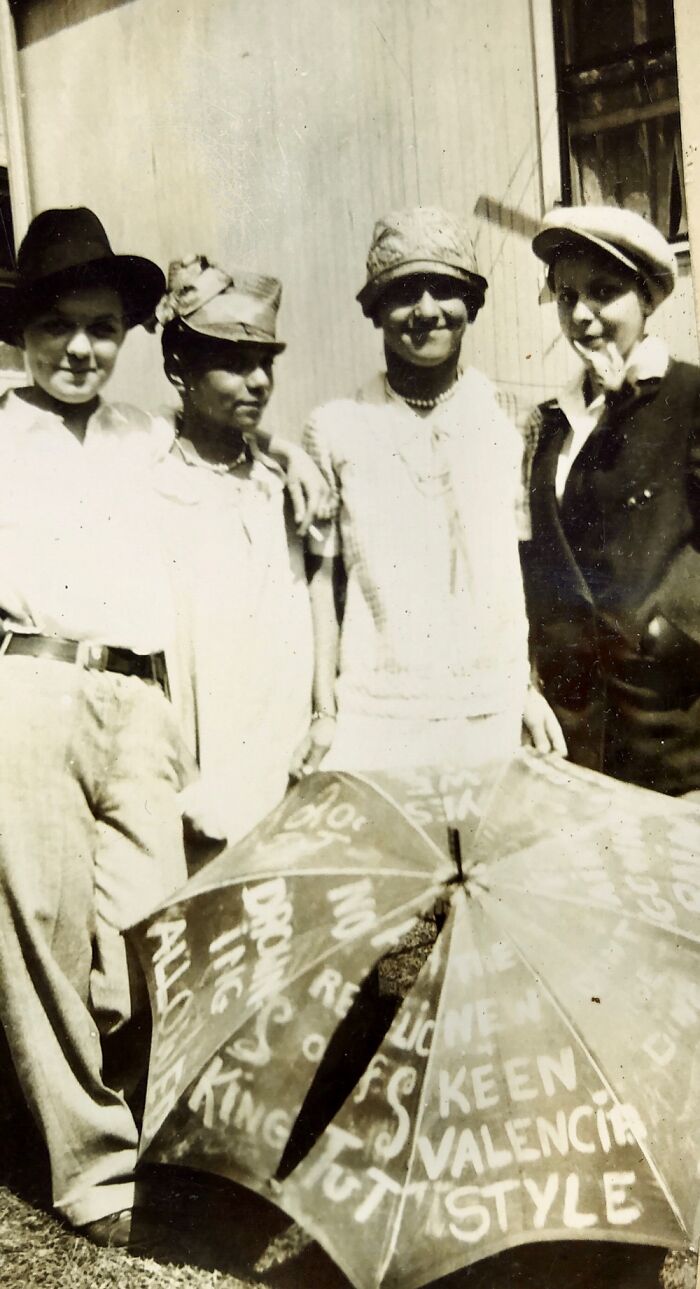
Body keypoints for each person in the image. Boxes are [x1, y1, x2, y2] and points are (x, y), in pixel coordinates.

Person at [0, 207, 190, 1250]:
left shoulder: (146, 437)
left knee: (150, 920)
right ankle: (93, 1167)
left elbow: (231, 478)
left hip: (142, 699)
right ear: (23, 330)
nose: (81, 348)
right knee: (42, 923)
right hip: (30, 685)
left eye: (103, 328)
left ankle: (140, 1113)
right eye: (59, 327)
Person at [294, 206, 563, 774]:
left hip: (492, 707)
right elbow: (323, 582)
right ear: (375, 311)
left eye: (444, 290)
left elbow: (527, 569)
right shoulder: (335, 426)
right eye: (404, 292)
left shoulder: (513, 418)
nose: (426, 311)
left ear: (471, 303)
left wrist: (527, 687)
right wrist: (324, 710)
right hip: (377, 713)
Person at [522, 204, 700, 797]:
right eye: (566, 295)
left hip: (670, 731)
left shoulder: (690, 397)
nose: (582, 315)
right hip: (572, 737)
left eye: (604, 292)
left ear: (647, 299)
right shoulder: (549, 425)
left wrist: (669, 630)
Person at [153, 255, 317, 845]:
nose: (258, 383)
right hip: (196, 738)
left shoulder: (283, 482)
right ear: (180, 368)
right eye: (232, 364)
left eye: (263, 364)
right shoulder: (151, 477)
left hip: (283, 734)